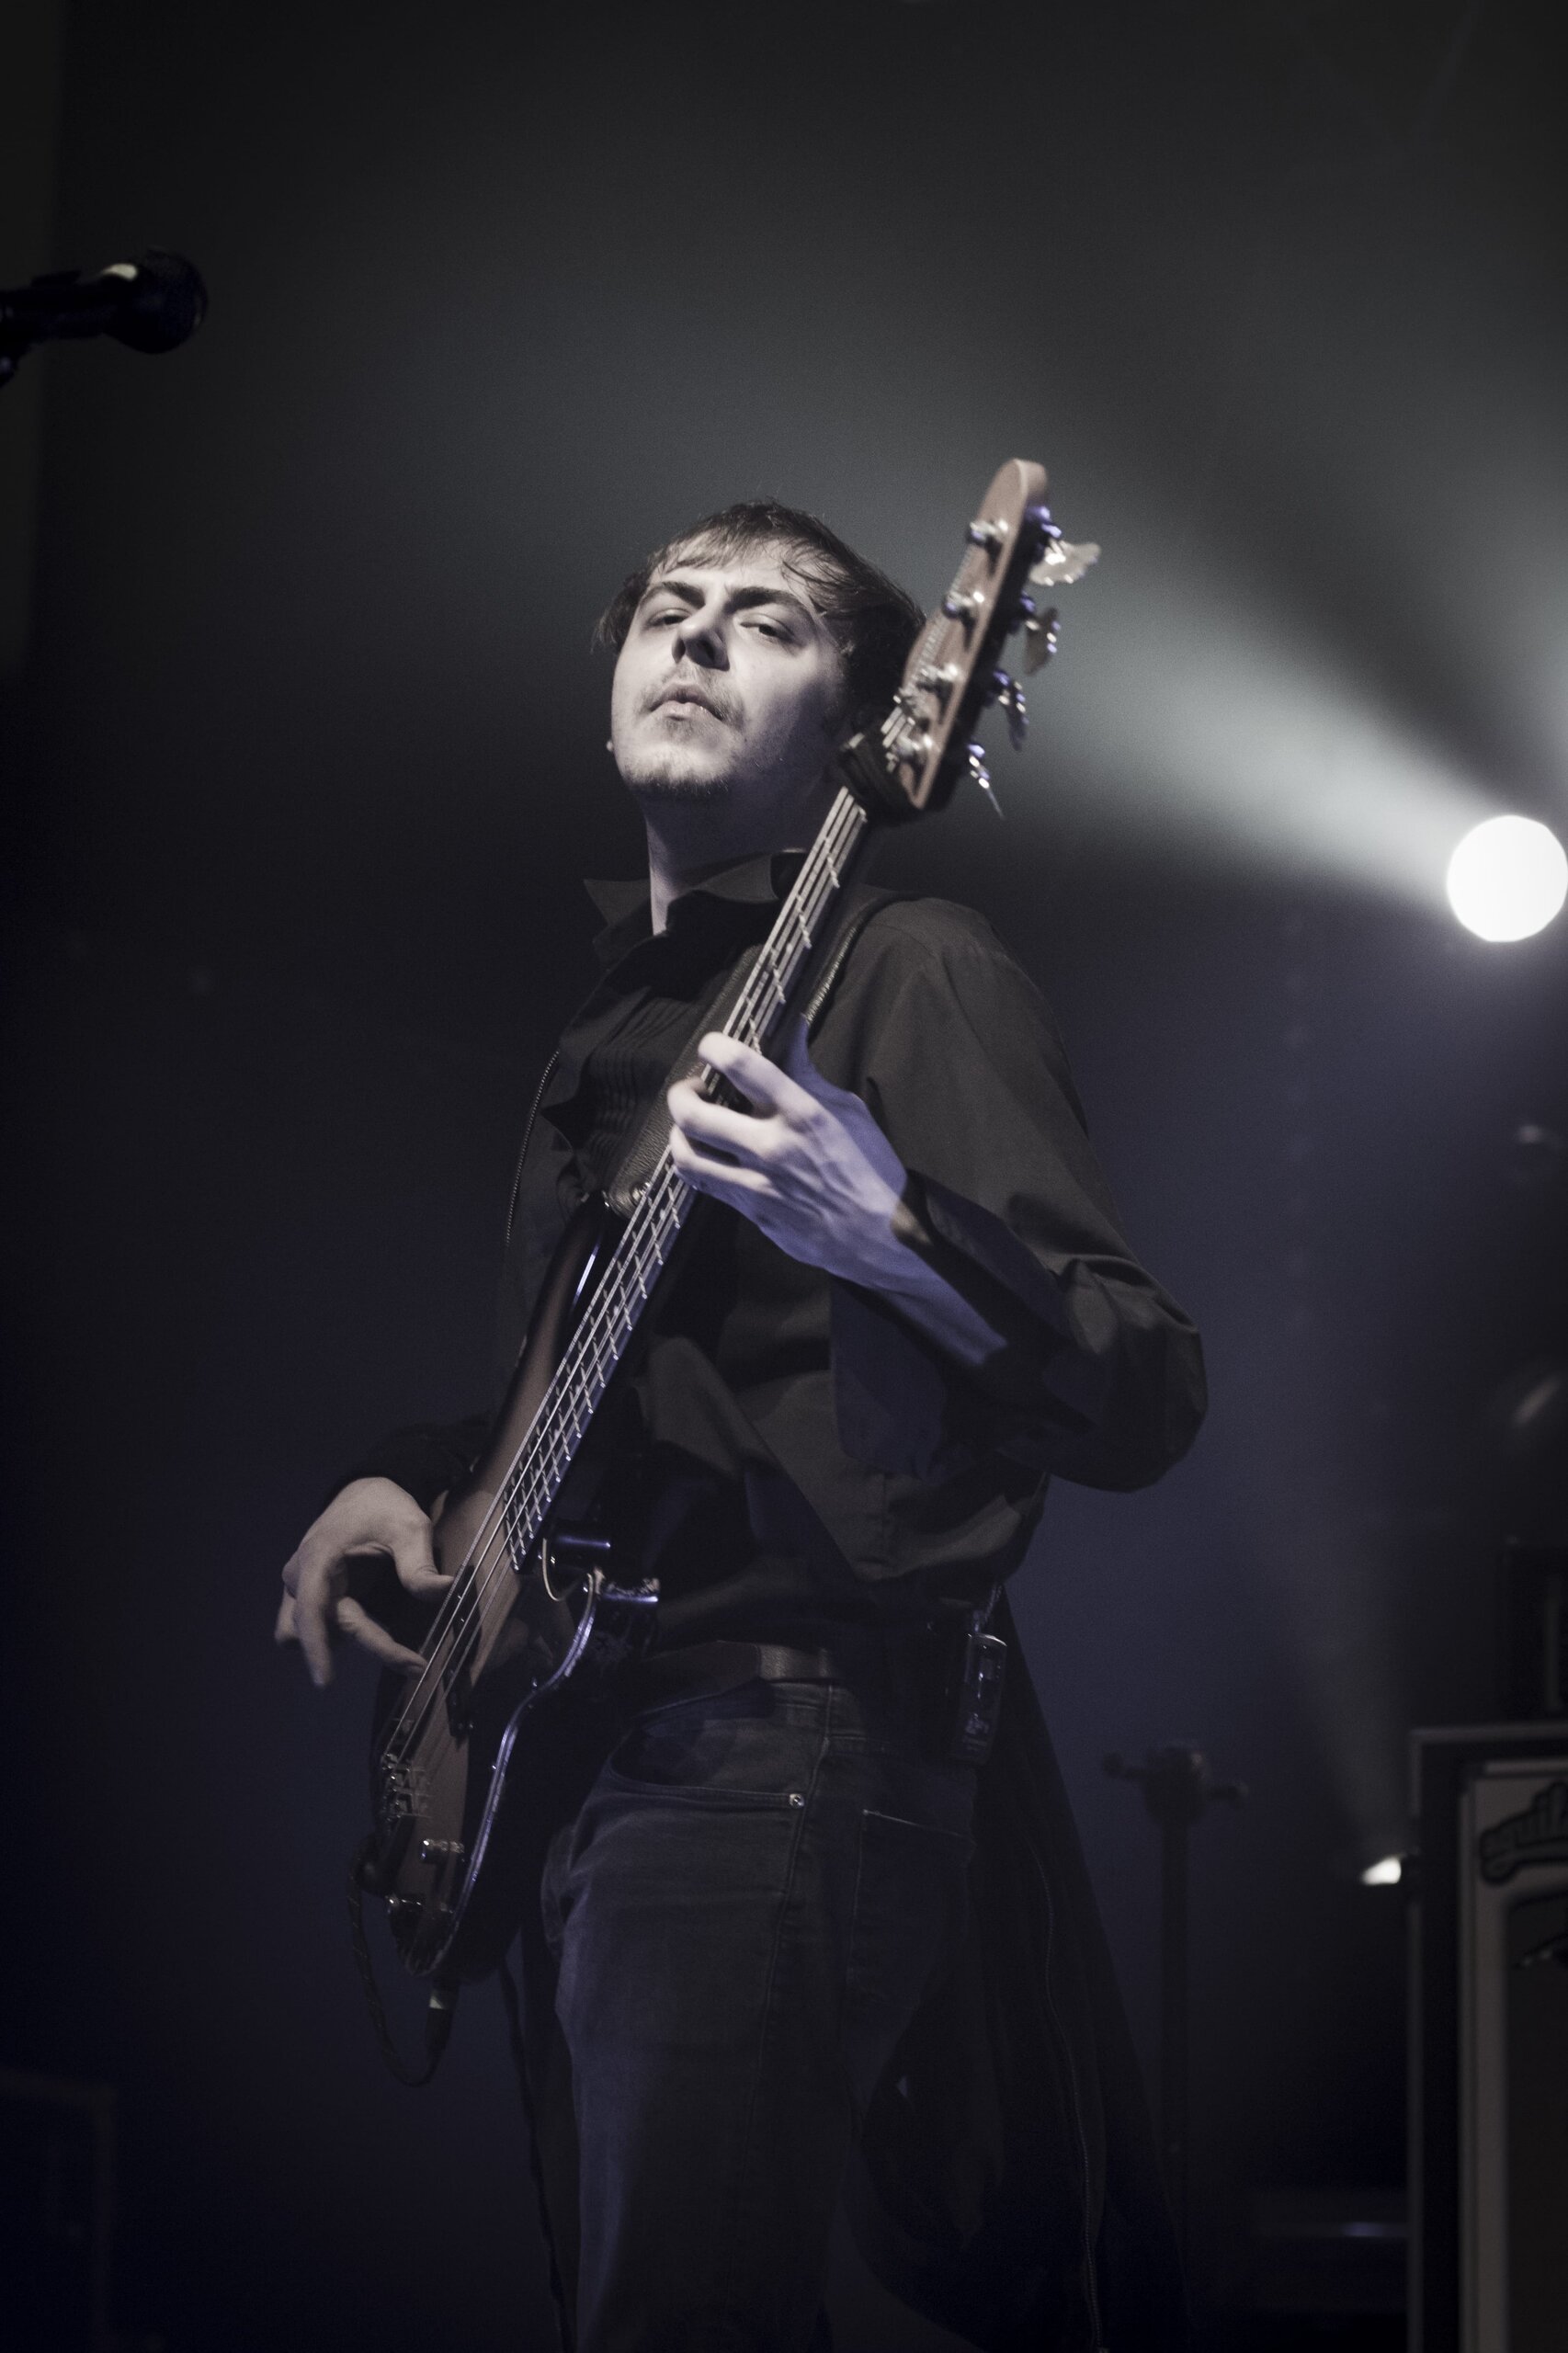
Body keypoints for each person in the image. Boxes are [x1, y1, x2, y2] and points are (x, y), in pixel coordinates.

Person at [276, 500, 1207, 2353]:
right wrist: (411, 1476)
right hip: (591, 1758)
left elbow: (1142, 1385)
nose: (695, 639)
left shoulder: (912, 963)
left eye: (766, 622)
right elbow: (614, 1382)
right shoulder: (620, 1017)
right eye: (669, 610)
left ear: (872, 719)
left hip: (769, 1749)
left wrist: (891, 1229)